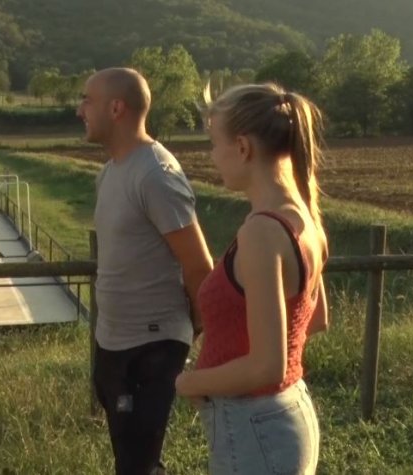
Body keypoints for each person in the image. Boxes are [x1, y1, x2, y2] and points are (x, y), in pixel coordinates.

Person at [175, 83, 329, 474]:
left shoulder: (261, 232)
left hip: (255, 425)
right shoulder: (304, 217)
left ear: (242, 148)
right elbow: (315, 319)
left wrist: (191, 382)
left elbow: (266, 367)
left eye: (213, 143)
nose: (212, 156)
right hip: (286, 414)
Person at [77, 67, 214, 475]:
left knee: (137, 463)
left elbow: (198, 264)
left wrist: (196, 336)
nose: (79, 110)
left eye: (87, 100)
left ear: (116, 108)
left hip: (152, 345)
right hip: (113, 340)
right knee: (132, 461)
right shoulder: (111, 171)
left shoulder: (156, 174)